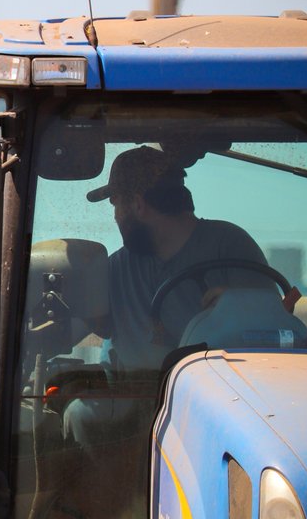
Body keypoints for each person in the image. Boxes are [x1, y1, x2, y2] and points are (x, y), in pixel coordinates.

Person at [86, 145, 267, 372]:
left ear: (138, 204)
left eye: (116, 204)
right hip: (134, 400)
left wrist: (239, 304)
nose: (115, 217)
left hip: (222, 392)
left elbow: (272, 329)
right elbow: (79, 322)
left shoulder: (230, 247)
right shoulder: (117, 269)